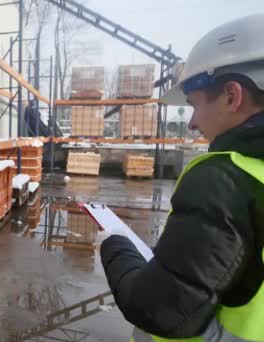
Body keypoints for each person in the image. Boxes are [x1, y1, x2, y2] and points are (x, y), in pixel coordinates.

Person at [99, 14, 264, 341]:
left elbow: (158, 309)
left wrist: (115, 245)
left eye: (194, 105)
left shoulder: (225, 180)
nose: (191, 123)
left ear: (232, 96)